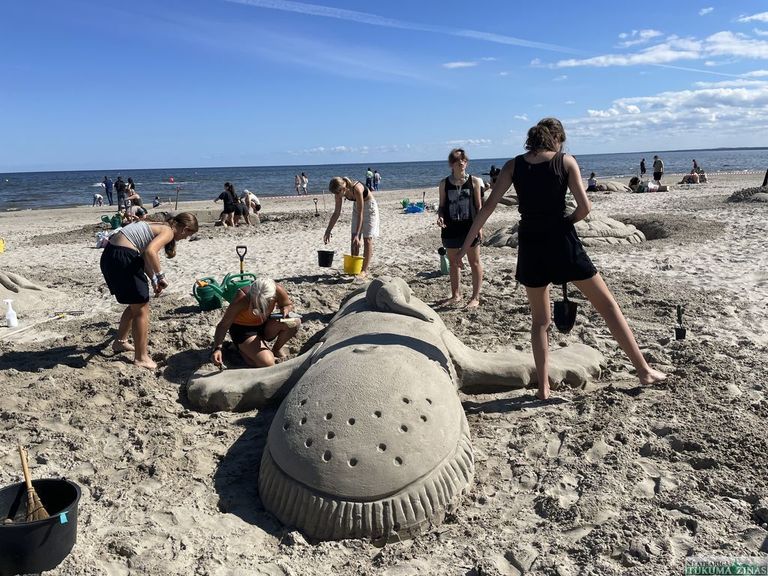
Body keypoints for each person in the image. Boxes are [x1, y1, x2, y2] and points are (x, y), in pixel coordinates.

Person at [455, 117, 667, 400]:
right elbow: (584, 208)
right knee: (607, 305)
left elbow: (488, 207)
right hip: (562, 241)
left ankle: (543, 387)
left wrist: (465, 246)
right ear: (556, 139)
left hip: (530, 244)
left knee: (540, 321)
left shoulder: (513, 165)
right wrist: (566, 221)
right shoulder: (565, 162)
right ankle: (643, 370)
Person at [100, 212, 199, 369]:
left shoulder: (157, 225)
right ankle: (141, 358)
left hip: (111, 255)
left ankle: (120, 342)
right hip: (123, 257)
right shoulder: (167, 231)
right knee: (142, 309)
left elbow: (144, 257)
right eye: (187, 235)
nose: (185, 238)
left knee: (136, 304)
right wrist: (161, 276)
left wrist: (153, 280)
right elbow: (150, 252)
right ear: (185, 229)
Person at [210, 277, 300, 368]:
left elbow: (287, 304)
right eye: (256, 303)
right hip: (244, 330)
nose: (260, 307)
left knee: (294, 322)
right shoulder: (242, 297)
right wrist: (217, 348)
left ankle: (276, 349)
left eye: (265, 303)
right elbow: (223, 325)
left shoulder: (276, 290)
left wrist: (285, 310)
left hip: (264, 323)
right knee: (267, 362)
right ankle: (239, 349)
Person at [436, 148, 484, 308]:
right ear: (451, 164)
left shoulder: (474, 181)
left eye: (464, 159)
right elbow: (441, 206)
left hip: (470, 228)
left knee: (474, 262)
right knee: (453, 262)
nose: (461, 162)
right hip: (450, 229)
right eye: (457, 160)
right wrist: (440, 216)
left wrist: (480, 227)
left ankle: (475, 297)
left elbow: (478, 207)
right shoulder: (444, 183)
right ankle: (456, 295)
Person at [324, 176, 380, 279]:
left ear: (343, 189)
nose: (336, 195)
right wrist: (328, 230)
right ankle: (355, 268)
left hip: (369, 207)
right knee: (354, 238)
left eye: (337, 193)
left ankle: (364, 271)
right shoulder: (339, 192)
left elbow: (361, 214)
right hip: (357, 207)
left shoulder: (357, 188)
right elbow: (336, 212)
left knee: (367, 239)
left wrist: (358, 234)